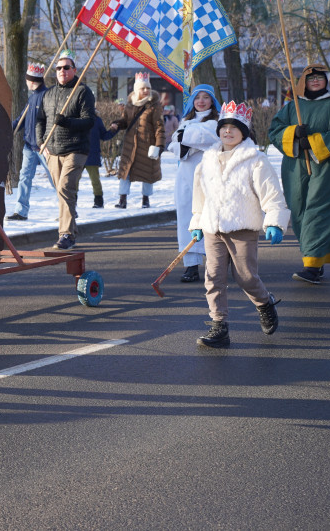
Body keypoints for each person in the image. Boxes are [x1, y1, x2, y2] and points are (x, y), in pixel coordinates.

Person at [189, 101, 290, 348]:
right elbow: (199, 195)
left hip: (243, 226)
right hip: (213, 226)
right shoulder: (207, 160)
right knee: (213, 277)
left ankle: (265, 303)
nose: (228, 131)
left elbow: (272, 193)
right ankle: (219, 325)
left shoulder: (255, 159)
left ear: (244, 132)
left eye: (235, 127)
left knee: (245, 276)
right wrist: (197, 222)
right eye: (224, 127)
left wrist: (274, 221)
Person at [268, 64, 330, 284]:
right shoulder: (292, 107)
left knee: (317, 210)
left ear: (327, 81)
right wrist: (292, 134)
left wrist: (310, 141)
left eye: (320, 78)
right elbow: (274, 130)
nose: (316, 81)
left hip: (326, 166)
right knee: (299, 210)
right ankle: (316, 259)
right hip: (295, 166)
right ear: (304, 83)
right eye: (312, 79)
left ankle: (310, 266)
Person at [35, 50, 97, 250]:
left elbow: (89, 121)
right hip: (52, 150)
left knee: (65, 188)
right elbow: (40, 120)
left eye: (66, 67)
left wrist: (67, 122)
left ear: (74, 70)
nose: (62, 71)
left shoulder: (82, 91)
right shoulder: (49, 93)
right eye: (59, 68)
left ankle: (66, 235)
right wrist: (41, 142)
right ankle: (71, 229)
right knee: (64, 193)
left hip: (76, 150)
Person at [166, 85, 221, 282]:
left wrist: (186, 138)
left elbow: (214, 138)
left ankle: (217, 262)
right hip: (186, 175)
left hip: (209, 176)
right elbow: (174, 143)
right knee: (187, 219)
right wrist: (187, 140)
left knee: (211, 218)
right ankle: (191, 265)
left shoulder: (218, 121)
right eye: (198, 98)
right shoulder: (185, 121)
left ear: (212, 101)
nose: (201, 101)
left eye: (206, 97)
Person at [109, 73, 165, 208]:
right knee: (125, 173)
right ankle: (122, 200)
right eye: (142, 88)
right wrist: (117, 123)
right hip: (130, 146)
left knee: (148, 173)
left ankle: (146, 200)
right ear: (136, 90)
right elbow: (126, 122)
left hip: (147, 145)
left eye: (147, 88)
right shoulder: (129, 105)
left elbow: (159, 126)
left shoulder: (154, 106)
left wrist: (159, 145)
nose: (146, 91)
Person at [8, 62, 55, 221]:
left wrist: (46, 142)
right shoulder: (32, 98)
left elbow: (49, 122)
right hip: (29, 146)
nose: (26, 82)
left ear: (33, 81)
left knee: (55, 178)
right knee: (24, 177)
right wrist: (7, 128)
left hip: (44, 147)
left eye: (28, 80)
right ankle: (21, 211)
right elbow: (21, 119)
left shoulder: (46, 96)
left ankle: (68, 209)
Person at [84, 111, 117, 208]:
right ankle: (72, 202)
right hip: (77, 154)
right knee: (74, 180)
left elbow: (104, 136)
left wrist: (113, 130)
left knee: (95, 180)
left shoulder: (96, 120)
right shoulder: (75, 119)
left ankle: (98, 201)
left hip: (92, 154)